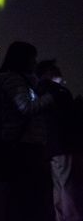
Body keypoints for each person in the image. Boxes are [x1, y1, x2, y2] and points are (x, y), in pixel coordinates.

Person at [0, 41, 54, 221]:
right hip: (24, 148)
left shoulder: (19, 79)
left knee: (22, 199)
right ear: (23, 59)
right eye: (32, 58)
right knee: (28, 199)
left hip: (24, 146)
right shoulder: (13, 79)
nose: (35, 62)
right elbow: (26, 107)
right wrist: (52, 97)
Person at [36, 60, 83, 221]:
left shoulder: (42, 91)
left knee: (60, 185)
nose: (59, 71)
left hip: (54, 145)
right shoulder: (57, 91)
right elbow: (66, 118)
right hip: (64, 142)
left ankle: (62, 216)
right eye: (55, 69)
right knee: (69, 185)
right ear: (47, 73)